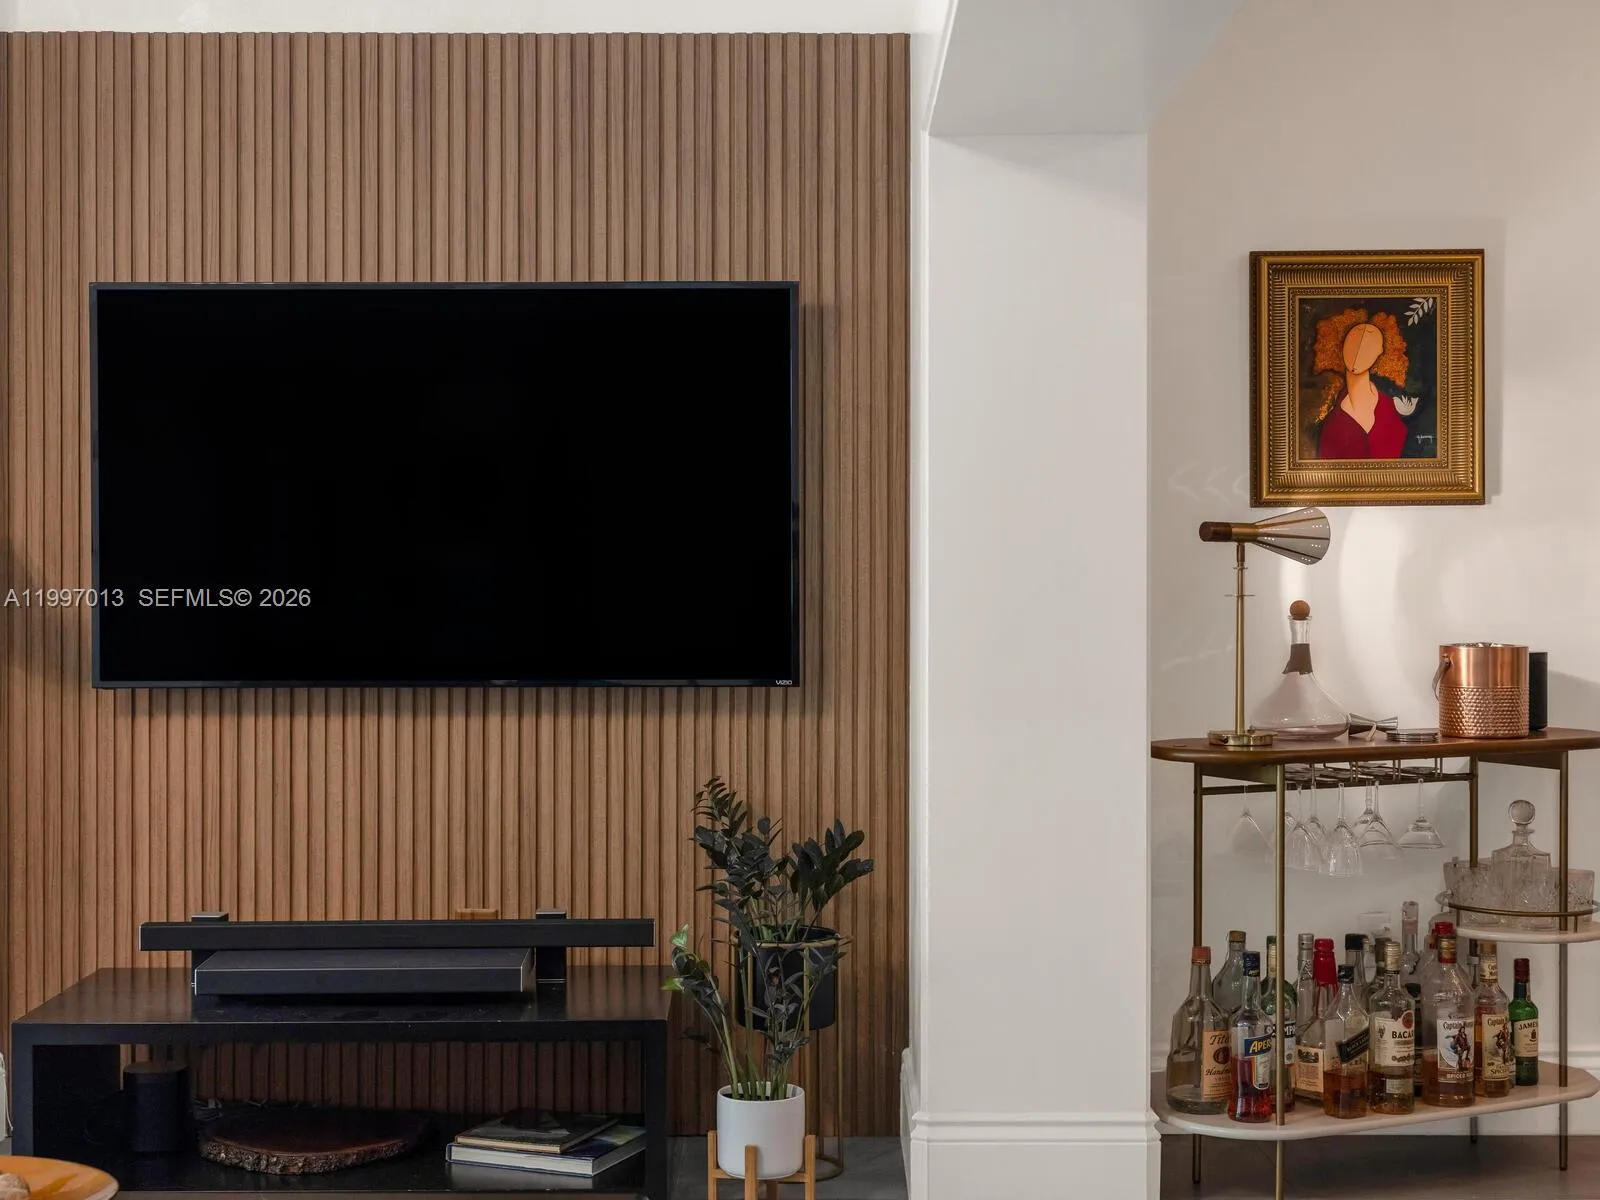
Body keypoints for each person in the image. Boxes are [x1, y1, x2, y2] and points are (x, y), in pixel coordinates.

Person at [1310, 308, 1410, 459]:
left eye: (1369, 345)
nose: (1358, 350)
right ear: (1340, 344)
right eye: (1353, 341)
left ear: (1381, 352)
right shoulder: (1331, 419)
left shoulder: (1389, 410)